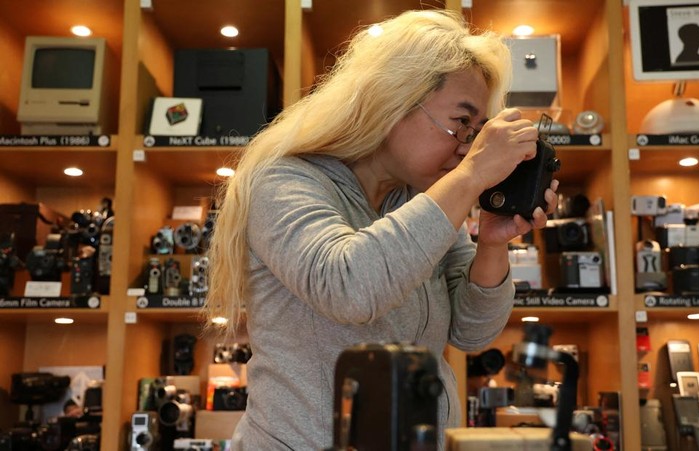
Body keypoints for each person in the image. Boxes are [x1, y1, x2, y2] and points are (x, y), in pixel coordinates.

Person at [204, 9, 559, 450]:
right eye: (461, 122)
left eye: (478, 129)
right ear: (394, 99)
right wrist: (469, 177)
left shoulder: (419, 200)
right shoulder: (283, 181)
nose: (468, 146)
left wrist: (491, 243)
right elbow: (348, 285)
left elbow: (472, 332)